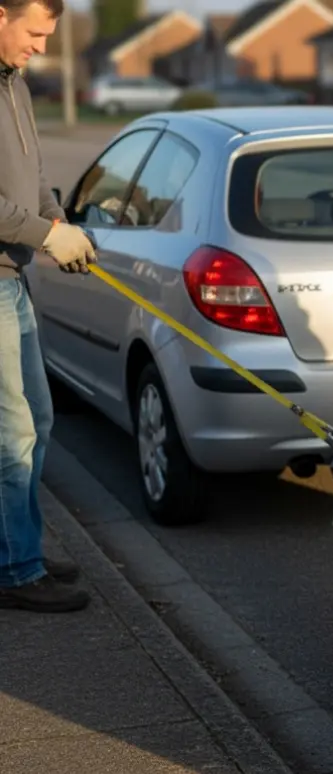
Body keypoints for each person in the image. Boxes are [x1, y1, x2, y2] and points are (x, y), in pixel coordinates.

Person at [0, 0, 97, 613]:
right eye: (34, 32)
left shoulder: (16, 84)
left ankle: (17, 545)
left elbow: (31, 176)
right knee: (11, 432)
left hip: (13, 276)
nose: (40, 46)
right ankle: (16, 570)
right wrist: (44, 235)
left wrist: (57, 221)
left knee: (39, 418)